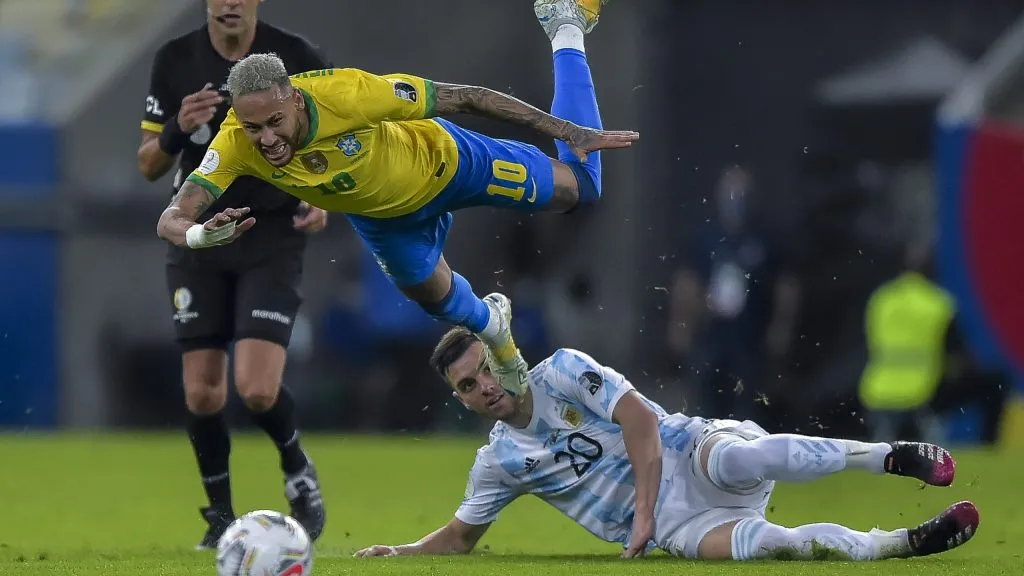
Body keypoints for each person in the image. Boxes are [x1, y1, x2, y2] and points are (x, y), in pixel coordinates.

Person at [154, 0, 639, 398]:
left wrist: (566, 131)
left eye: (274, 123)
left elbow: (466, 96)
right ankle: (495, 330)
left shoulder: (350, 94)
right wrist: (198, 234)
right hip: (386, 223)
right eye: (252, 127)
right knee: (433, 297)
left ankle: (565, 24)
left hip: (448, 163)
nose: (266, 140)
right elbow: (173, 216)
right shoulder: (236, 141)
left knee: (582, 190)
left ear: (295, 101)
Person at [353, 326, 980, 561]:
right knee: (776, 549)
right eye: (467, 386)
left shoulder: (564, 371)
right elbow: (461, 535)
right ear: (459, 400)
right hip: (682, 526)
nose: (483, 387)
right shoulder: (499, 461)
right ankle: (901, 544)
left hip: (689, 451)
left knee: (748, 456)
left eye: (485, 369)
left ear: (499, 357)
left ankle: (889, 456)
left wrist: (642, 517)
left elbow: (642, 424)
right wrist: (403, 551)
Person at [137, 0, 331, 549]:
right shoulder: (174, 59)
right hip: (198, 236)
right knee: (201, 393)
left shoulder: (297, 57)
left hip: (269, 234)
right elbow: (149, 164)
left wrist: (325, 202)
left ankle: (298, 473)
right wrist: (178, 126)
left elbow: (330, 144)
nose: (228, 4)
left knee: (257, 389)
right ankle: (220, 515)